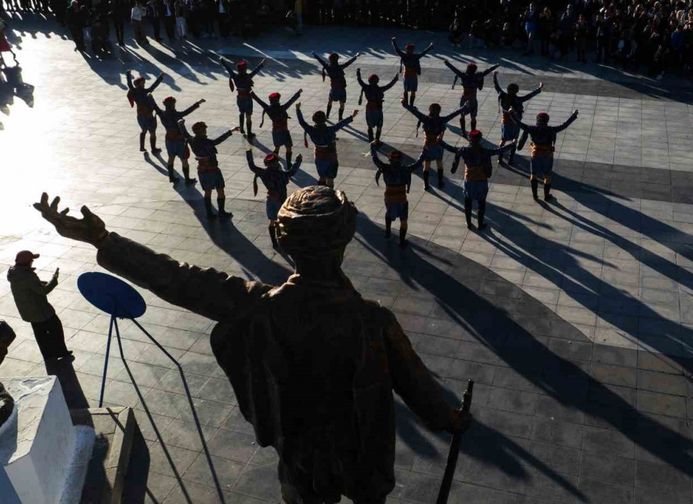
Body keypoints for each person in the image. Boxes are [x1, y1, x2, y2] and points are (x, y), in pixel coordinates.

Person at [33, 187, 470, 504]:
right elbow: (419, 389)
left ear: (278, 240)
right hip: (362, 453)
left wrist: (103, 240)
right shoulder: (373, 320)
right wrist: (452, 419)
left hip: (297, 447)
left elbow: (177, 279)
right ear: (346, 240)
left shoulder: (255, 306)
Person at [7, 250, 73, 363]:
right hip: (40, 310)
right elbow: (43, 291)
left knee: (40, 334)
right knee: (56, 328)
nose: (32, 262)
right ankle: (61, 352)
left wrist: (38, 283)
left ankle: (48, 356)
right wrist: (54, 280)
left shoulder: (14, 273)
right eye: (31, 260)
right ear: (27, 262)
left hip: (28, 311)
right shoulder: (27, 276)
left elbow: (28, 286)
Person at [441, 130, 514, 230]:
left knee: (468, 203)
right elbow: (498, 151)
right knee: (481, 204)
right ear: (480, 139)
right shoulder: (485, 151)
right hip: (481, 180)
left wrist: (440, 142)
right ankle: (480, 224)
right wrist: (512, 144)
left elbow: (451, 149)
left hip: (469, 180)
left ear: (470, 139)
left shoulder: (464, 150)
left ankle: (469, 223)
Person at [512, 109, 579, 201]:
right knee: (547, 176)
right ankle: (546, 196)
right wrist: (573, 115)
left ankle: (535, 196)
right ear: (547, 120)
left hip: (535, 155)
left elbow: (519, 124)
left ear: (537, 120)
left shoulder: (531, 128)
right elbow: (564, 125)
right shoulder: (551, 130)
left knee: (533, 175)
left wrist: (511, 113)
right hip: (547, 156)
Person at [401, 100, 467, 190]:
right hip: (438, 146)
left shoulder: (425, 119)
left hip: (428, 145)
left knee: (427, 164)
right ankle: (440, 182)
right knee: (439, 163)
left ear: (430, 110)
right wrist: (464, 107)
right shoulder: (442, 120)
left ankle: (426, 184)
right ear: (439, 111)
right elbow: (454, 114)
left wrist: (405, 104)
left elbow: (414, 112)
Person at [245, 149, 303, 248]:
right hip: (282, 200)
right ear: (276, 163)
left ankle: (274, 242)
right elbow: (292, 172)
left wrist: (248, 152)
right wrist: (298, 161)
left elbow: (252, 166)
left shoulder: (263, 173)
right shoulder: (282, 174)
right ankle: (281, 237)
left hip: (272, 199)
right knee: (283, 219)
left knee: (272, 221)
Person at [185, 121, 240, 219]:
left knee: (207, 192)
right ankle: (221, 212)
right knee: (220, 190)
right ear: (202, 131)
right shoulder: (207, 142)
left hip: (202, 170)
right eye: (204, 129)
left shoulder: (191, 140)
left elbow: (185, 133)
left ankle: (209, 213)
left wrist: (181, 125)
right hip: (213, 169)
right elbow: (218, 140)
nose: (206, 131)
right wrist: (230, 131)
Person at [295, 102, 358, 187]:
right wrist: (352, 116)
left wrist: (298, 110)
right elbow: (340, 124)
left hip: (319, 156)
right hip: (331, 156)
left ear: (314, 120)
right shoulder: (330, 130)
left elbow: (302, 122)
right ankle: (330, 193)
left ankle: (321, 192)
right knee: (330, 178)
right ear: (325, 119)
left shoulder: (311, 130)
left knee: (322, 177)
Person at [371, 147, 423, 247]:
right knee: (403, 220)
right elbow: (418, 163)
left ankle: (388, 232)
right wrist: (425, 151)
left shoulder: (385, 168)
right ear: (401, 160)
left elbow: (375, 159)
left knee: (389, 213)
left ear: (390, 160)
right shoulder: (405, 169)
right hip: (401, 198)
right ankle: (402, 242)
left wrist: (372, 148)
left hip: (389, 198)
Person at [493, 72, 543, 165]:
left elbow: (497, 86)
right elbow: (530, 95)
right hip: (516, 122)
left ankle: (500, 158)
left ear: (507, 90)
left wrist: (494, 76)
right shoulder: (519, 99)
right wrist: (539, 89)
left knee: (503, 140)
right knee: (514, 140)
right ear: (517, 91)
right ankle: (511, 159)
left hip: (505, 121)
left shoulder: (503, 95)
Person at [153, 95, 205, 184]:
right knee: (184, 160)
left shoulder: (162, 114)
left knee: (171, 158)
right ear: (172, 104)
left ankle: (171, 177)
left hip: (169, 139)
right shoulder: (177, 115)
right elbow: (187, 111)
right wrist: (198, 103)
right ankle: (187, 179)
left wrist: (150, 97)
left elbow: (155, 106)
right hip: (179, 140)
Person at [442, 60, 499, 134]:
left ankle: (463, 131)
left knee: (462, 115)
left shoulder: (464, 76)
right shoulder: (477, 76)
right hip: (473, 100)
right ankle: (473, 132)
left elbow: (454, 69)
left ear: (468, 69)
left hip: (464, 99)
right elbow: (487, 71)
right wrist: (496, 65)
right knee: (473, 117)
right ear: (475, 70)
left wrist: (447, 63)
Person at [250, 89, 303, 166]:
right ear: (278, 100)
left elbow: (260, 102)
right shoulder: (282, 108)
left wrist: (253, 95)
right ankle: (288, 164)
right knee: (288, 148)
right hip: (284, 131)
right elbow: (291, 101)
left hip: (276, 132)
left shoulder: (268, 109)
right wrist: (298, 93)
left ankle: (274, 162)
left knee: (277, 147)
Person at [218, 57, 266, 137]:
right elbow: (256, 70)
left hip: (240, 98)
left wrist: (223, 62)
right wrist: (262, 64)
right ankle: (249, 133)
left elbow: (228, 69)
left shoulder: (235, 76)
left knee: (241, 112)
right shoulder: (248, 77)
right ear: (245, 69)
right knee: (248, 116)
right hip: (248, 98)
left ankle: (242, 128)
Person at [312, 51, 359, 121]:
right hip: (341, 88)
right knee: (342, 104)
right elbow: (348, 63)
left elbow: (321, 61)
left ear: (330, 60)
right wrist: (356, 56)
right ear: (337, 60)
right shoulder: (340, 67)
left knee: (330, 101)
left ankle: (327, 116)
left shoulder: (328, 67)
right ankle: (340, 118)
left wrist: (314, 54)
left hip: (334, 88)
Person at [355, 68, 398, 145]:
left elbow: (359, 80)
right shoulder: (379, 89)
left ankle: (370, 140)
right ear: (377, 81)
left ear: (369, 81)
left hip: (369, 108)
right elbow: (389, 85)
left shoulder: (366, 87)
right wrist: (395, 79)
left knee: (369, 125)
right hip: (377, 109)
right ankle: (377, 140)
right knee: (379, 125)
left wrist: (358, 72)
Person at [125, 70, 164, 153]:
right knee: (152, 133)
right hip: (148, 115)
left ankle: (142, 147)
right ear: (139, 83)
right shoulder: (145, 91)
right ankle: (153, 149)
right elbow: (153, 86)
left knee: (143, 130)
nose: (144, 84)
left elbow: (129, 84)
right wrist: (160, 77)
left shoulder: (134, 91)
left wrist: (128, 74)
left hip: (140, 115)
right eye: (143, 83)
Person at [391, 37, 432, 106]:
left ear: (406, 50)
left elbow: (397, 50)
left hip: (406, 75)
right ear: (413, 50)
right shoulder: (415, 56)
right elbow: (424, 52)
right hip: (413, 75)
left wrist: (393, 41)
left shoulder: (404, 56)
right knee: (413, 91)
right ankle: (411, 104)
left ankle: (406, 103)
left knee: (406, 90)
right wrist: (430, 47)